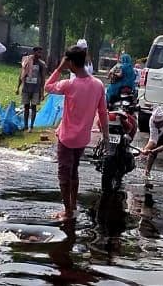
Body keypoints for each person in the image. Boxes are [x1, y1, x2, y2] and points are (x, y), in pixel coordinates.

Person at [44, 46, 109, 223]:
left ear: (71, 63)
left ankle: (67, 211)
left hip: (66, 138)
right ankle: (72, 204)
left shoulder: (69, 84)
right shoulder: (98, 85)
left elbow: (48, 87)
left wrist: (58, 69)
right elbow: (103, 113)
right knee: (74, 170)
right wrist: (106, 138)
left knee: (64, 175)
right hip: (82, 139)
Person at [18, 47, 47, 131]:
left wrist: (42, 92)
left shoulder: (41, 64)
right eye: (38, 52)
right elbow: (21, 75)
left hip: (36, 89)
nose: (40, 55)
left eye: (41, 53)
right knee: (26, 107)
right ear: (34, 52)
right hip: (26, 88)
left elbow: (42, 78)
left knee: (33, 107)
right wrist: (18, 87)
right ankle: (25, 125)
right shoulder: (26, 62)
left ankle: (31, 126)